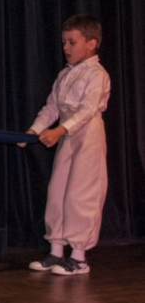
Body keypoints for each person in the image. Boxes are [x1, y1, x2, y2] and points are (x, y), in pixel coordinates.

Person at [24, 14, 110, 276]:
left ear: (91, 44)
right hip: (68, 135)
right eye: (64, 42)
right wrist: (33, 131)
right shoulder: (64, 74)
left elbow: (87, 110)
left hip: (88, 134)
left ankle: (79, 257)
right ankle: (56, 251)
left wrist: (59, 130)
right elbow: (52, 108)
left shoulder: (97, 74)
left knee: (80, 195)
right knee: (58, 191)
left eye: (72, 42)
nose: (66, 48)